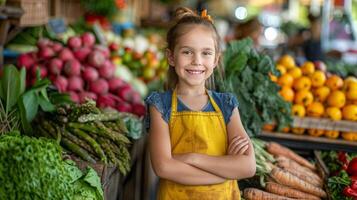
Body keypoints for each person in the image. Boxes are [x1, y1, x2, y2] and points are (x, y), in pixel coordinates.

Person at [145, 7, 256, 200]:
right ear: (171, 57)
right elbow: (164, 167)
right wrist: (225, 169)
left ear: (215, 60)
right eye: (187, 52)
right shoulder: (160, 105)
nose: (197, 61)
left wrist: (192, 158)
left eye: (206, 53)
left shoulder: (227, 105)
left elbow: (247, 167)